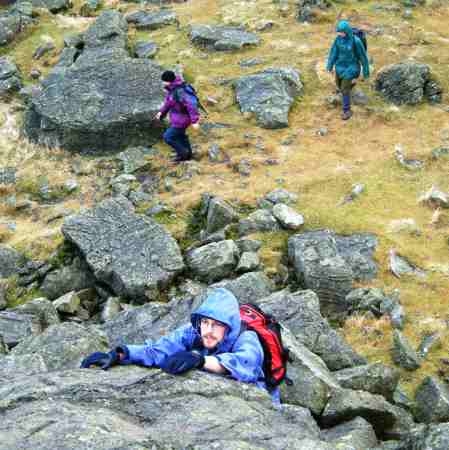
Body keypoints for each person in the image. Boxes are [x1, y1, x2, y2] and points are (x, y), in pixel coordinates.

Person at [81, 288, 280, 403]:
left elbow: (245, 364)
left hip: (260, 401)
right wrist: (121, 354)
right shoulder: (192, 332)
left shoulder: (247, 338)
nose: (208, 330)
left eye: (217, 325)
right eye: (205, 323)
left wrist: (200, 360)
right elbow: (158, 351)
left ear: (229, 326)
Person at [326, 20, 370, 120]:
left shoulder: (356, 41)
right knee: (338, 84)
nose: (340, 34)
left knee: (344, 89)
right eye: (339, 32)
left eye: (341, 32)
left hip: (352, 67)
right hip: (340, 66)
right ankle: (349, 85)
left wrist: (365, 72)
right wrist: (329, 66)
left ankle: (347, 110)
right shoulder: (338, 40)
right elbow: (333, 53)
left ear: (346, 31)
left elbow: (363, 57)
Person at [155, 70, 200, 163]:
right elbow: (168, 103)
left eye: (163, 80)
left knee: (168, 137)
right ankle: (188, 154)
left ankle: (183, 153)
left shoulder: (181, 90)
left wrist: (195, 121)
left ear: (168, 81)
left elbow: (191, 105)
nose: (162, 83)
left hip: (182, 119)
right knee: (180, 136)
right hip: (177, 117)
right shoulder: (172, 89)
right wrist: (161, 112)